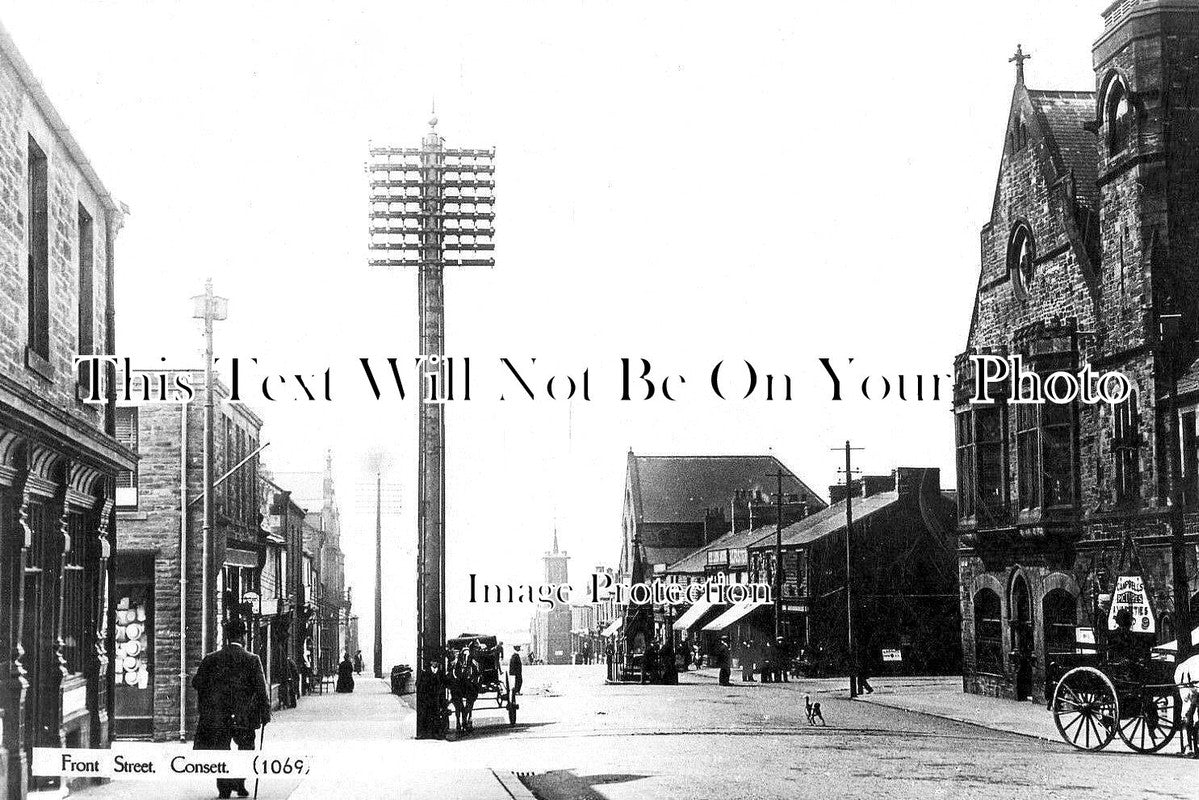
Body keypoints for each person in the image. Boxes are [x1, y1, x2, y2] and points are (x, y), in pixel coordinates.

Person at [192, 618, 271, 800]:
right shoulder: (252, 660)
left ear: (226, 637)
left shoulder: (211, 659)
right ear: (243, 637)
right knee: (245, 748)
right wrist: (265, 713)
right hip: (244, 716)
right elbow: (261, 688)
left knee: (221, 750)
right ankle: (239, 783)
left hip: (219, 716)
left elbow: (197, 682)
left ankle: (224, 789)